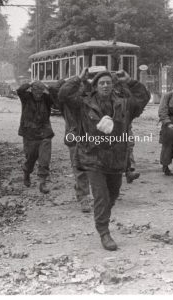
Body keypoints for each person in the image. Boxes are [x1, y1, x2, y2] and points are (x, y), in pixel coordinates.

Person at [58, 68, 150, 251]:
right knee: (101, 196)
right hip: (93, 157)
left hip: (115, 158)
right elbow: (63, 96)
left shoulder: (124, 105)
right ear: (95, 86)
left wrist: (130, 81)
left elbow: (143, 98)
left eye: (109, 82)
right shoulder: (84, 105)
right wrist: (77, 79)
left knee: (112, 194)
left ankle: (103, 216)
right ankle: (104, 232)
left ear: (113, 85)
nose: (106, 85)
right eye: (101, 83)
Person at [17, 81, 57, 194]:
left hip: (45, 133)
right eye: (35, 91)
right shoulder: (26, 98)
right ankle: (26, 173)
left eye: (40, 92)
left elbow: (55, 96)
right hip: (29, 134)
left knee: (45, 159)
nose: (38, 94)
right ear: (32, 90)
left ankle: (42, 183)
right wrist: (29, 83)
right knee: (31, 158)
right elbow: (20, 90)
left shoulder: (46, 99)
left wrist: (48, 87)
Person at [58, 79, 92, 213]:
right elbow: (63, 93)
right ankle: (84, 198)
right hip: (75, 137)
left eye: (83, 86)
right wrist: (77, 78)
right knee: (80, 168)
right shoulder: (68, 102)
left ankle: (81, 190)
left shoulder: (91, 100)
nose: (81, 89)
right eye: (78, 87)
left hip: (92, 138)